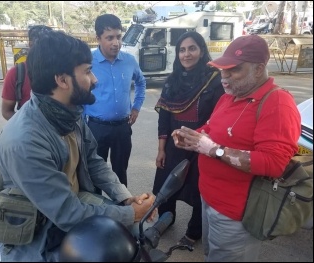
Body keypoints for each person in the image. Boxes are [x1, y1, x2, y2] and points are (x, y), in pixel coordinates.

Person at [0, 30, 155, 262]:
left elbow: (94, 161)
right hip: (33, 231)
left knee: (133, 235)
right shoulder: (25, 140)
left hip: (69, 203)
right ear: (62, 80)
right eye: (87, 71)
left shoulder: (70, 112)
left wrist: (125, 198)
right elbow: (68, 214)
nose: (95, 80)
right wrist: (130, 213)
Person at [172, 34, 301, 261]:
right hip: (209, 199)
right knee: (212, 254)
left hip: (237, 213)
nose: (224, 76)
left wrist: (214, 150)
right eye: (222, 69)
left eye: (233, 70)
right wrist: (192, 137)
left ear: (259, 69)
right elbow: (211, 129)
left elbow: (274, 163)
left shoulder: (277, 103)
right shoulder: (230, 96)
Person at [153, 31, 224, 248]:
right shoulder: (172, 80)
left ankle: (194, 231)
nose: (187, 54)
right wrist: (161, 149)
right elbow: (164, 118)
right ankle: (166, 220)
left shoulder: (214, 80)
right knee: (166, 186)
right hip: (174, 145)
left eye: (192, 48)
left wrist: (206, 143)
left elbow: (219, 116)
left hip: (201, 145)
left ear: (202, 51)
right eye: (182, 50)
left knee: (198, 188)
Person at [83, 14, 146, 188]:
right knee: (94, 174)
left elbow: (141, 82)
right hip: (96, 128)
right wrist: (81, 127)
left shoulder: (129, 60)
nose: (116, 43)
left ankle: (122, 212)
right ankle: (97, 211)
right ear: (98, 38)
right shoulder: (87, 61)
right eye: (109, 38)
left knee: (120, 173)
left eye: (118, 37)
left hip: (122, 128)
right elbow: (79, 94)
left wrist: (136, 107)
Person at [1, 25, 53, 120]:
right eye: (41, 46)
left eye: (50, 46)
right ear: (30, 44)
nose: (46, 50)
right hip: (29, 130)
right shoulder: (16, 73)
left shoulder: (62, 70)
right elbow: (6, 111)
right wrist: (28, 124)